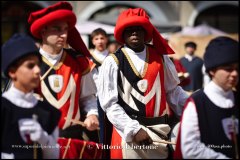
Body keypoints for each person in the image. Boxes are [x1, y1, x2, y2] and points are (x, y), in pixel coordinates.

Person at [98, 8, 189, 159]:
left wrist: (192, 110)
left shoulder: (161, 57)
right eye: (129, 29)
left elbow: (173, 91)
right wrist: (133, 130)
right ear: (122, 33)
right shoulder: (112, 61)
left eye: (138, 29)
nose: (134, 33)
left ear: (145, 32)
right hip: (127, 137)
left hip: (160, 133)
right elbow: (109, 104)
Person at [27, 2, 101, 159]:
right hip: (38, 143)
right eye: (57, 29)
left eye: (66, 29)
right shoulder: (28, 63)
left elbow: (88, 98)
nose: (64, 35)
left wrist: (92, 115)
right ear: (43, 31)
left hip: (72, 141)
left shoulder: (79, 62)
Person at [174, 36, 239, 159]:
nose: (235, 74)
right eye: (228, 69)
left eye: (237, 69)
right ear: (212, 71)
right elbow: (191, 150)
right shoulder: (197, 103)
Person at [1, 33, 61, 159]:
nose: (38, 70)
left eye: (38, 65)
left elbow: (53, 155)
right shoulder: (4, 107)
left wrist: (43, 139)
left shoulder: (48, 111)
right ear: (12, 72)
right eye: (30, 66)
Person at [89, 28, 112, 159]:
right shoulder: (89, 58)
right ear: (92, 41)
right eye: (96, 38)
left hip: (111, 99)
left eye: (102, 38)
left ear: (107, 39)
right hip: (94, 99)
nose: (100, 41)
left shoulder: (114, 57)